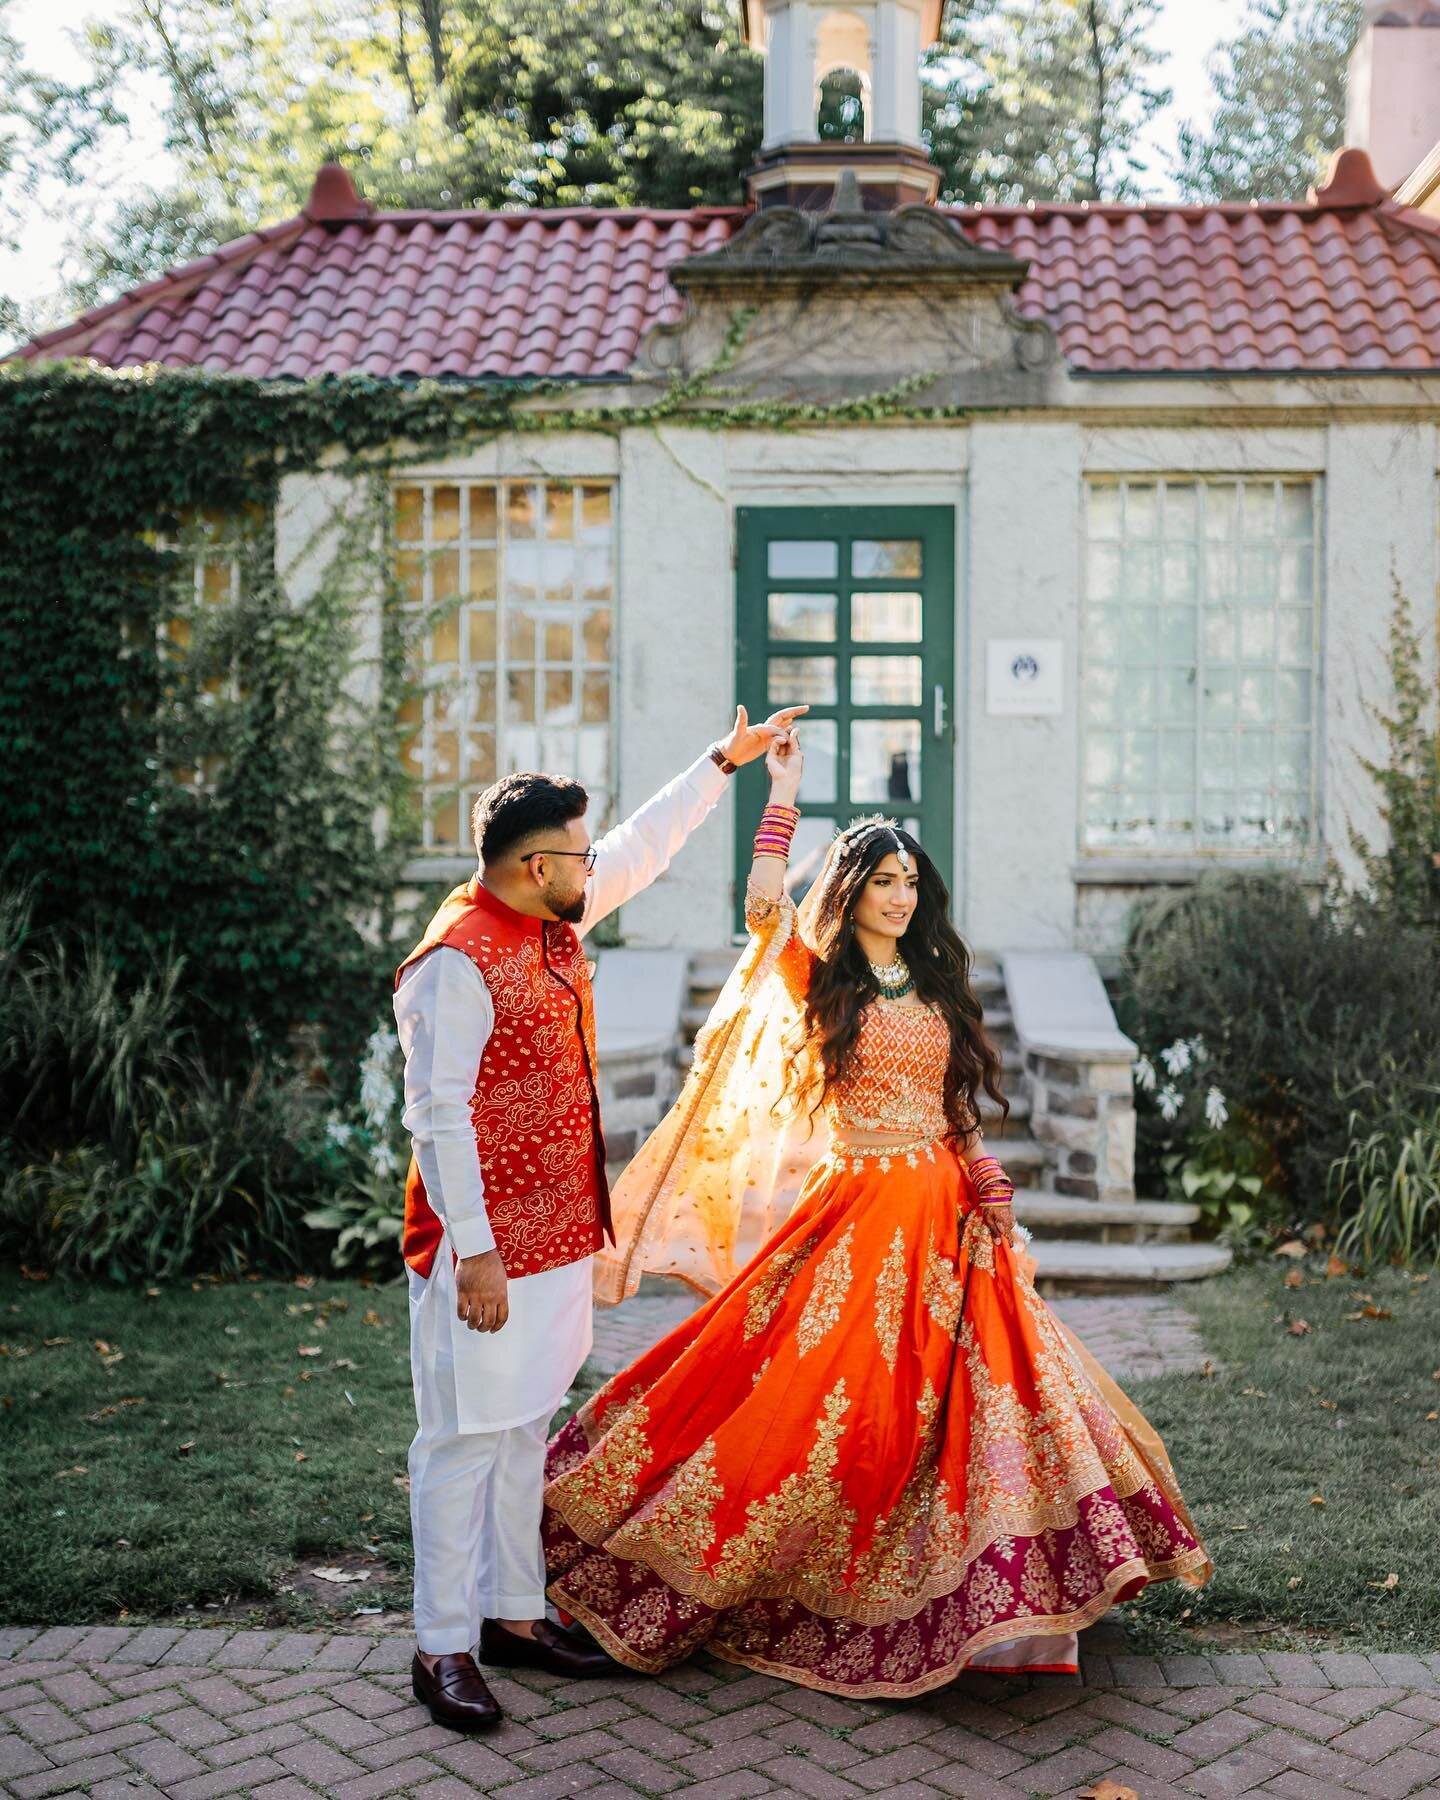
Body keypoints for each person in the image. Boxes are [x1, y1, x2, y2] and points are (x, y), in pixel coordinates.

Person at [541, 725, 1213, 1700]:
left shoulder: (937, 976)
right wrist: (784, 798)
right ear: (849, 889)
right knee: (829, 1409)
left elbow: (954, 1101)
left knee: (994, 1399)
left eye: (909, 882)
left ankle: (1007, 1618)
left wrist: (985, 1177)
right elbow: (764, 908)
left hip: (950, 1215)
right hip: (858, 1219)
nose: (899, 897)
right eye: (882, 881)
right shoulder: (819, 979)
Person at [394, 705, 805, 1733]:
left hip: (559, 1234)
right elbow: (436, 1117)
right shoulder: (453, 961)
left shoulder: (551, 912)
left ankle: (514, 1618)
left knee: (525, 1430)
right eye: (579, 854)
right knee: (460, 1440)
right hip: (479, 1252)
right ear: (537, 867)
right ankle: (442, 1643)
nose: (597, 866)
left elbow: (642, 847)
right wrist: (477, 1256)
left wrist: (722, 762)